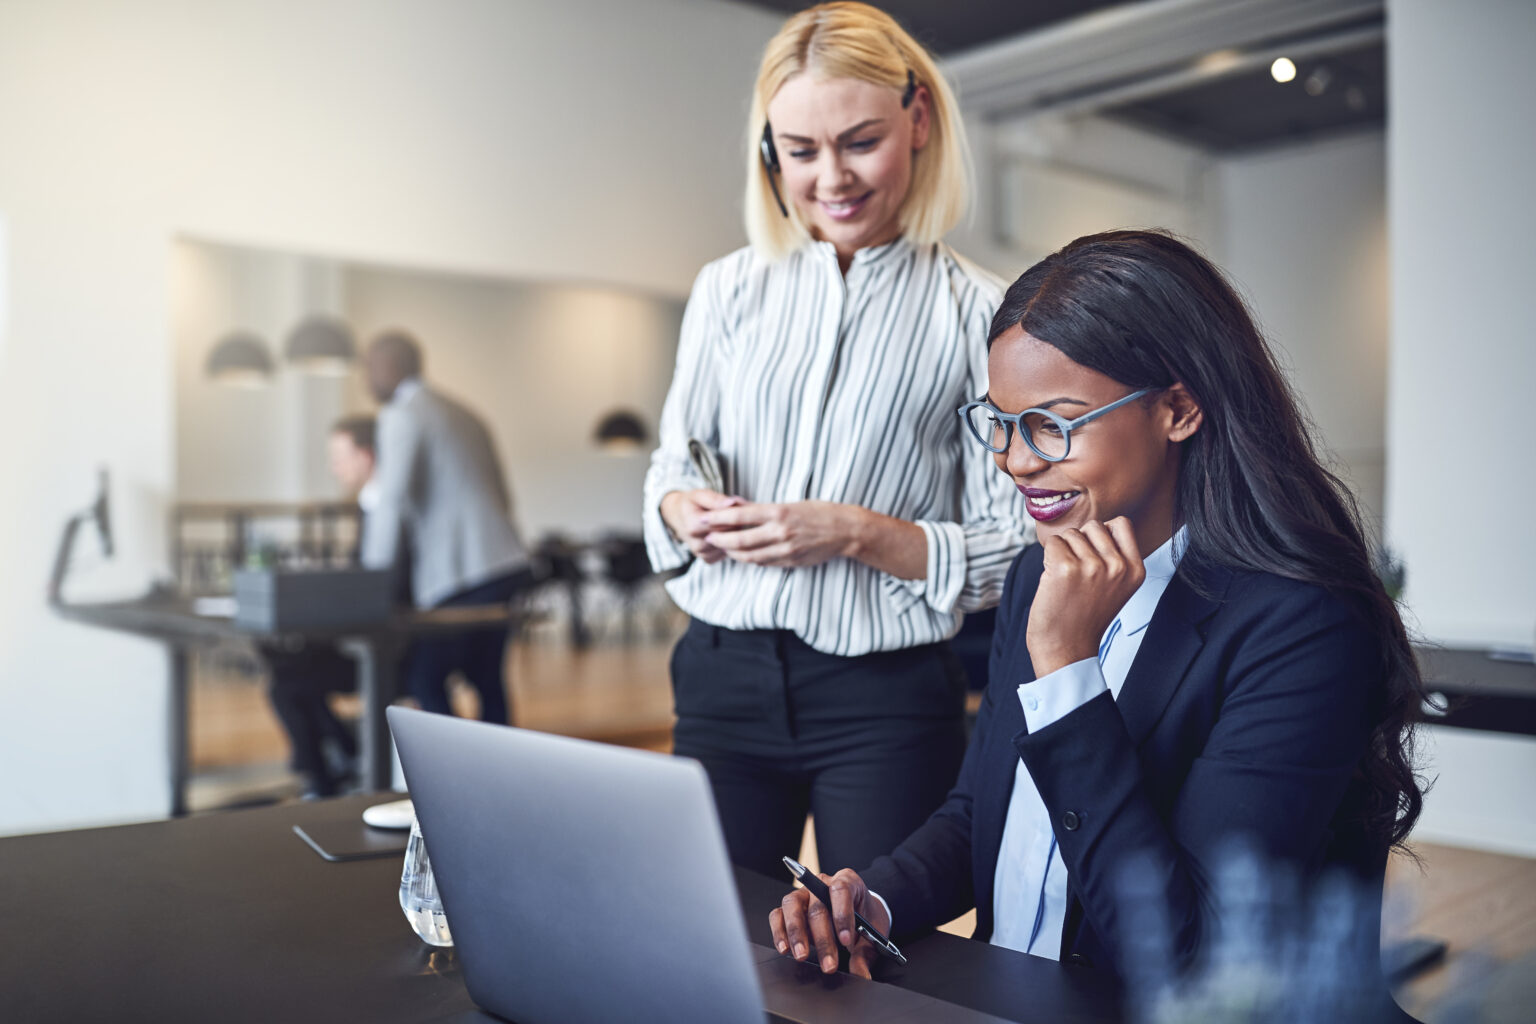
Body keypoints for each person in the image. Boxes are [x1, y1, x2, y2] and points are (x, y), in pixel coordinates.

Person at [768, 230, 1427, 987]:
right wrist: (871, 899)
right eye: (1002, 423)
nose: (1017, 460)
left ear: (1179, 408)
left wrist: (1069, 673)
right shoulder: (1036, 574)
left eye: (1054, 423)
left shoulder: (1301, 626)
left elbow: (1187, 957)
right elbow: (987, 813)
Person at [642, 2, 1031, 879]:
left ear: (919, 118)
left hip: (886, 699)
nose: (831, 179)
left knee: (876, 970)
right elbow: (670, 466)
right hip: (719, 674)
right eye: (801, 150)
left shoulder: (985, 316)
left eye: (860, 141)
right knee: (714, 949)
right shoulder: (726, 291)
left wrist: (854, 532)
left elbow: (1017, 546)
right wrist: (678, 506)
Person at [361, 329, 533, 725]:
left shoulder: (401, 415)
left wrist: (370, 581)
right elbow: (502, 495)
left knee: (425, 676)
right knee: (488, 680)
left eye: (368, 367)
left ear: (390, 366)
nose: (365, 379)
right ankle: (498, 773)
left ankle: (453, 775)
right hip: (505, 561)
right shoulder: (465, 412)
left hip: (462, 571)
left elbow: (391, 502)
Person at [262, 415, 377, 798]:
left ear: (366, 456)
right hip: (360, 631)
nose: (334, 467)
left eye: (339, 457)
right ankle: (339, 753)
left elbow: (377, 580)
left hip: (385, 645)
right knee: (284, 665)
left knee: (286, 683)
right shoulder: (371, 504)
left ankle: (323, 778)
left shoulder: (383, 506)